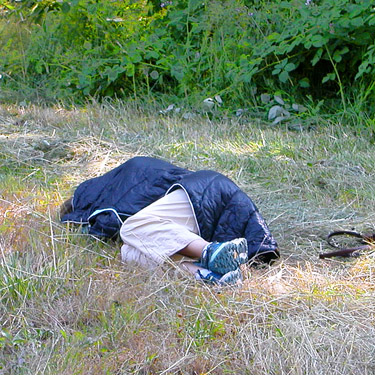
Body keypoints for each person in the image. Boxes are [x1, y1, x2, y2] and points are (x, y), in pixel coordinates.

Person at [61, 156, 279, 285]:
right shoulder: (112, 190)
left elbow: (113, 219)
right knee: (129, 252)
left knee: (132, 228)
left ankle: (211, 251)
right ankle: (210, 277)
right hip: (196, 219)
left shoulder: (118, 183)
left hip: (203, 192)